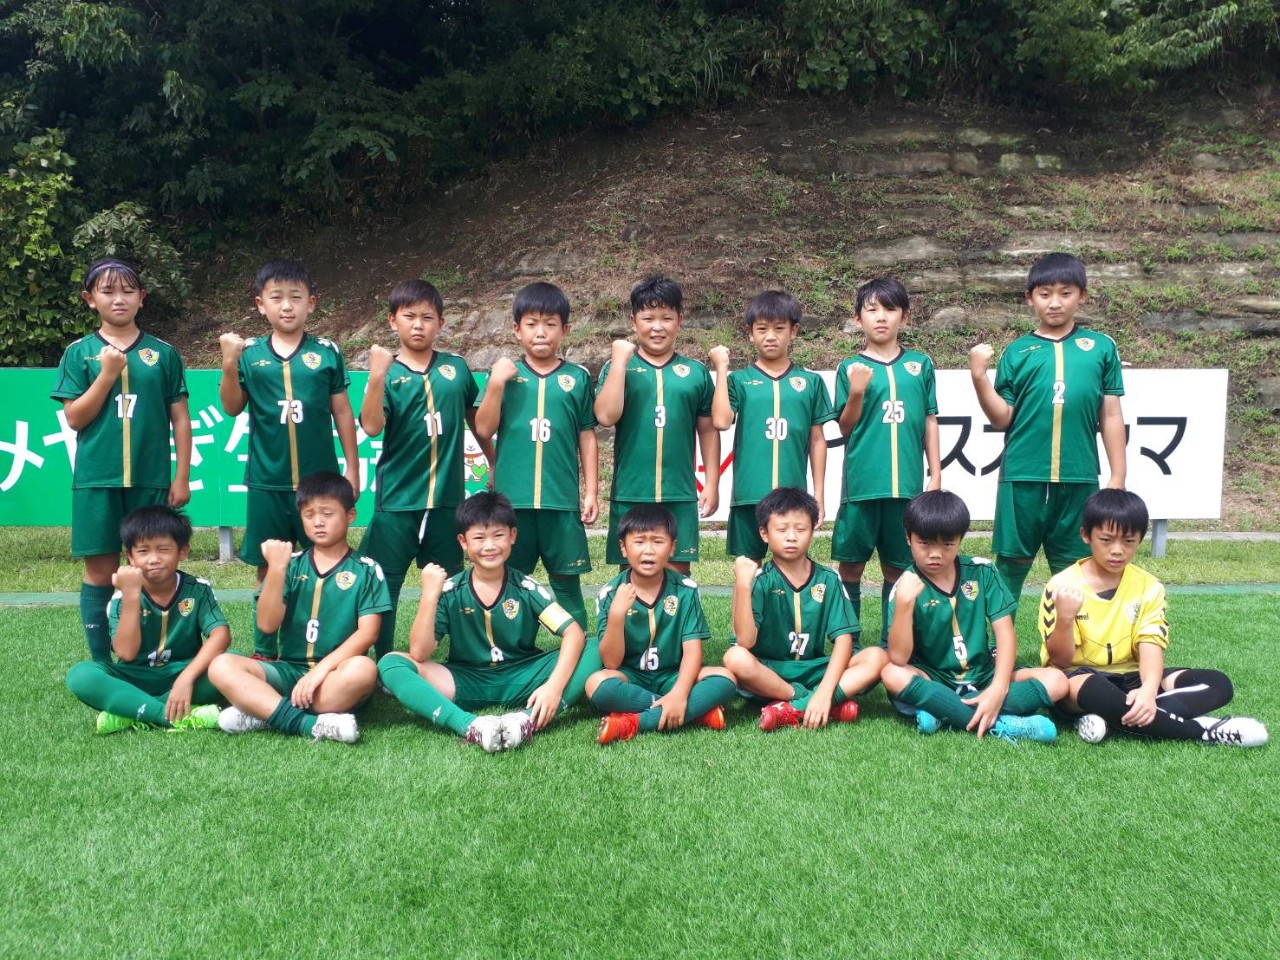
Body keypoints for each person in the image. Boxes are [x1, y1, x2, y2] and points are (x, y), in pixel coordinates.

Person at [376, 492, 602, 752]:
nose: (490, 546)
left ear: (512, 536)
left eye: (498, 535)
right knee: (391, 664)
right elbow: (419, 652)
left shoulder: (526, 587)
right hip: (465, 680)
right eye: (479, 538)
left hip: (524, 677)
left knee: (596, 645)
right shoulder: (450, 591)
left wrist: (553, 687)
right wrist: (429, 595)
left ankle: (526, 721)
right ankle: (470, 725)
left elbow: (573, 632)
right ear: (463, 541)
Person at [1040, 488, 1267, 746]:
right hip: (1079, 679)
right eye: (1106, 540)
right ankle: (1202, 730)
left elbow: (1150, 645)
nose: (1117, 550)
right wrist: (1065, 618)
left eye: (1129, 541)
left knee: (1218, 684)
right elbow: (1060, 660)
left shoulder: (1149, 586)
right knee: (1094, 689)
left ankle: (1113, 721)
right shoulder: (1061, 586)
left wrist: (1148, 690)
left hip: (1132, 677)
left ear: (1140, 539)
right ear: (1086, 535)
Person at [52, 258, 192, 661]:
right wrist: (107, 374)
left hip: (150, 480)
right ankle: (102, 662)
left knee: (152, 568)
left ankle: (149, 656)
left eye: (128, 291)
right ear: (89, 299)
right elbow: (75, 418)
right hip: (97, 479)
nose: (119, 299)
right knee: (101, 571)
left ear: (142, 298)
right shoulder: (80, 353)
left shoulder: (162, 353)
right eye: (108, 291)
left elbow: (180, 419)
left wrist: (181, 476)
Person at [218, 259, 360, 656]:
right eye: (276, 297)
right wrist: (228, 362)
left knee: (327, 563)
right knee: (269, 566)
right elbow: (231, 406)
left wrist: (352, 468)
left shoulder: (326, 353)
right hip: (268, 482)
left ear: (311, 303)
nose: (286, 306)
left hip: (321, 485)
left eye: (296, 297)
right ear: (260, 304)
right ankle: (266, 649)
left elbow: (342, 412)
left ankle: (328, 645)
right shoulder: (249, 354)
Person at [969, 252, 1126, 604]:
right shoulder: (1017, 351)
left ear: (1082, 296)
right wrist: (979, 378)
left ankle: (1075, 637)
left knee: (1076, 569)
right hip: (1022, 476)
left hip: (1079, 477)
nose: (1055, 302)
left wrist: (1118, 476)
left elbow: (1111, 416)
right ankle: (999, 636)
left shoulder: (1101, 348)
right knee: (1011, 564)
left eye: (1065, 293)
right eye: (1045, 294)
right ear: (1030, 298)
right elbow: (1002, 418)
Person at [359, 278, 493, 656]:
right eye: (409, 316)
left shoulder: (456, 368)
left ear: (441, 323)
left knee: (451, 583)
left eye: (427, 317)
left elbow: (477, 422)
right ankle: (384, 661)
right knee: (385, 583)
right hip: (398, 500)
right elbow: (371, 426)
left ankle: (460, 658)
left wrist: (493, 462)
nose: (418, 325)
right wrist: (376, 377)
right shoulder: (388, 373)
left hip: (448, 502)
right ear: (393, 321)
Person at [207, 472, 389, 743]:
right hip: (287, 671)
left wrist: (319, 672)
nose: (318, 522)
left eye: (327, 513)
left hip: (334, 675)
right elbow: (267, 624)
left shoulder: (367, 570)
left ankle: (265, 711)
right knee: (221, 665)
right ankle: (310, 723)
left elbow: (368, 633)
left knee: (364, 669)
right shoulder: (290, 564)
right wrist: (276, 569)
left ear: (350, 515)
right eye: (309, 514)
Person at [880, 490, 1068, 742]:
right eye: (925, 544)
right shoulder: (904, 586)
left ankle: (945, 712)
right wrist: (904, 605)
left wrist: (998, 689)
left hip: (984, 674)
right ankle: (1002, 723)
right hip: (934, 679)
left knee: (1057, 681)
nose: (935, 554)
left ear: (960, 538)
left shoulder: (982, 571)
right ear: (908, 538)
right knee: (892, 674)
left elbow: (1005, 634)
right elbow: (899, 657)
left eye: (947, 544)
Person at [473, 281, 597, 630]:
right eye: (531, 324)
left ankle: (579, 648)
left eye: (550, 324)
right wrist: (495, 384)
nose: (540, 332)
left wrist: (590, 491)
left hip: (561, 501)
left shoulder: (577, 378)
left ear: (565, 329)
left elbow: (587, 436)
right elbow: (483, 428)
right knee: (511, 582)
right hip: (513, 503)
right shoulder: (504, 375)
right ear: (517, 329)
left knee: (567, 583)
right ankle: (511, 648)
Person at [724, 487, 886, 731]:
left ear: (812, 532)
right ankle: (806, 699)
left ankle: (796, 708)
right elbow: (745, 642)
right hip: (769, 671)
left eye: (800, 529)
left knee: (877, 657)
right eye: (782, 530)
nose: (791, 537)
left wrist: (825, 690)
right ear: (764, 533)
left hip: (814, 668)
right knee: (734, 657)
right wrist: (743, 586)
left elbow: (844, 640)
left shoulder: (828, 578)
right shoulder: (759, 581)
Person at [832, 277, 939, 640]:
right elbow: (845, 427)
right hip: (861, 486)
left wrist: (936, 473)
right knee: (851, 567)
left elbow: (929, 419)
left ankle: (890, 642)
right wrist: (856, 393)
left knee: (898, 568)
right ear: (857, 318)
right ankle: (849, 642)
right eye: (872, 309)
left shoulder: (920, 364)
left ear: (904, 317)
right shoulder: (850, 367)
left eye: (890, 309)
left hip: (906, 487)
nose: (881, 317)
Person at [594, 275, 719, 574]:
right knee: (630, 576)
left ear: (680, 321)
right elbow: (606, 417)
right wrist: (619, 363)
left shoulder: (695, 372)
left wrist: (712, 482)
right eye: (648, 318)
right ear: (633, 321)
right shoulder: (619, 367)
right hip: (631, 491)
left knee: (678, 575)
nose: (657, 326)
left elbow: (708, 430)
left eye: (666, 318)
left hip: (679, 492)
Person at [65, 505, 229, 732]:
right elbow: (126, 653)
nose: (153, 559)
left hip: (183, 672)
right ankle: (166, 715)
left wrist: (186, 678)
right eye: (143, 551)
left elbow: (221, 635)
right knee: (81, 675)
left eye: (163, 549)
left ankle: (131, 710)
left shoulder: (198, 589)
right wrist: (132, 595)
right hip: (134, 678)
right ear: (130, 557)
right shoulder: (121, 598)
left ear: (182, 552)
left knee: (233, 662)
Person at [587, 505, 737, 743]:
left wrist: (679, 692)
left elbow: (692, 652)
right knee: (596, 684)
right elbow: (611, 662)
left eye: (658, 541)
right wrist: (616, 615)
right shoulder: (610, 593)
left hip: (673, 675)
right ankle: (695, 713)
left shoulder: (685, 590)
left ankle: (635, 722)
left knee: (725, 678)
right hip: (631, 676)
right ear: (623, 548)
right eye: (639, 542)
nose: (648, 550)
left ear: (672, 547)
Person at [709, 290, 835, 564]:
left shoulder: (810, 382)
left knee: (792, 566)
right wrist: (721, 369)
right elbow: (720, 421)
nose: (770, 336)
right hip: (748, 495)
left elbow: (817, 441)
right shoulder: (740, 380)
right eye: (762, 329)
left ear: (794, 331)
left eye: (779, 328)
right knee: (747, 567)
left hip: (793, 497)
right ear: (750, 333)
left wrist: (819, 496)